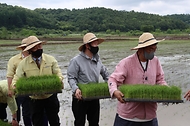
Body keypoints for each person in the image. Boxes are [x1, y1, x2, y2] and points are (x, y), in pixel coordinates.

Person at [108, 32, 167, 126]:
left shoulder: (155, 61)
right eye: (150, 49)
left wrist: (165, 90)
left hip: (150, 117)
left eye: (154, 49)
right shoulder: (126, 63)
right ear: (140, 50)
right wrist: (114, 91)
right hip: (128, 118)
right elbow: (113, 79)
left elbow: (160, 79)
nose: (152, 52)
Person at [11, 36, 63, 126]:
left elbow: (58, 73)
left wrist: (58, 80)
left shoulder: (50, 59)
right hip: (34, 100)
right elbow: (16, 78)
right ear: (30, 50)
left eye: (40, 46)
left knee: (54, 121)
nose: (39, 48)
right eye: (36, 47)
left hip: (50, 97)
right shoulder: (23, 64)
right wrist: (15, 86)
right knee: (37, 122)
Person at [67, 32, 109, 126]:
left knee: (94, 123)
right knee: (79, 123)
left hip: (94, 98)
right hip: (80, 99)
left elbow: (106, 74)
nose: (96, 45)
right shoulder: (76, 61)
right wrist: (76, 89)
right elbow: (71, 78)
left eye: (97, 43)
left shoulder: (98, 60)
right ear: (87, 46)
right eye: (94, 43)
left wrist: (111, 85)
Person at [7, 37, 32, 126]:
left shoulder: (34, 58)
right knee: (16, 109)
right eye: (26, 47)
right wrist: (10, 89)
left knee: (28, 112)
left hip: (30, 89)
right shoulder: (14, 60)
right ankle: (16, 122)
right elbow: (10, 75)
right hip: (18, 89)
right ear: (22, 48)